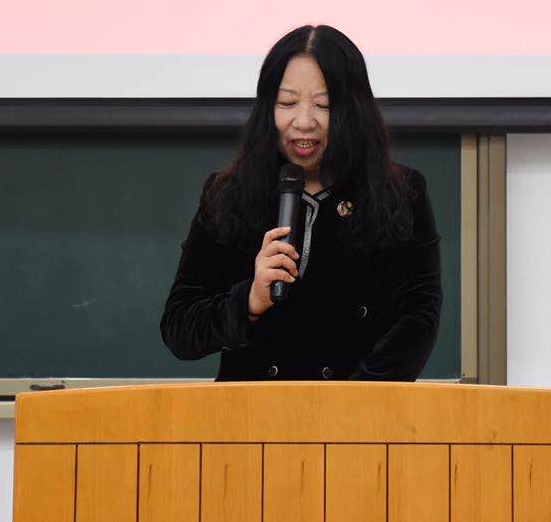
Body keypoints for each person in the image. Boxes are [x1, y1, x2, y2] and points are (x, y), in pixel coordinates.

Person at [161, 25, 441, 381]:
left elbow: (418, 319)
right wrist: (249, 301)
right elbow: (180, 328)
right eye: (287, 103)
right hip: (250, 410)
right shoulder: (227, 194)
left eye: (324, 105)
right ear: (268, 109)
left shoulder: (401, 193)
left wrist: (352, 403)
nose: (304, 122)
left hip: (358, 409)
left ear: (354, 111)